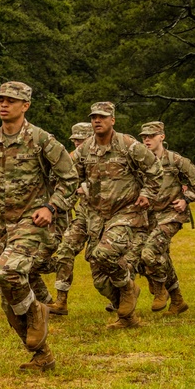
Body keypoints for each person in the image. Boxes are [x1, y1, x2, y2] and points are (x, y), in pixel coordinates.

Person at [0, 82, 78, 371]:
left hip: (36, 221)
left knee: (8, 271)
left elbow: (70, 179)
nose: (4, 105)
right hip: (4, 224)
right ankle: (43, 355)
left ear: (25, 106)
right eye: (1, 100)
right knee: (4, 288)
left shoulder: (41, 140)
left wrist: (51, 207)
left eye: (11, 101)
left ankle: (39, 308)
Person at [73, 102, 163, 329]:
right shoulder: (84, 149)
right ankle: (127, 318)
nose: (97, 121)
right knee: (100, 280)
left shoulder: (128, 145)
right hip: (97, 217)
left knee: (104, 255)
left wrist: (147, 193)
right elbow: (70, 173)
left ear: (112, 120)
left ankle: (127, 287)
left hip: (126, 213)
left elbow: (155, 170)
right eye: (94, 117)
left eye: (102, 117)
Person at [138, 121, 195, 314]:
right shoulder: (141, 161)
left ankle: (160, 289)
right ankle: (177, 300)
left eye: (151, 136)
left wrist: (186, 199)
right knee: (159, 256)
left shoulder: (175, 160)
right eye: (144, 137)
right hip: (148, 216)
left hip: (171, 214)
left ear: (162, 137)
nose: (147, 140)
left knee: (149, 252)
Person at [48, 122, 93, 314]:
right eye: (74, 140)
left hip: (111, 217)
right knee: (65, 250)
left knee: (101, 259)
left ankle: (121, 299)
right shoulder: (72, 159)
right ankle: (61, 301)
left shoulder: (111, 156)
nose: (76, 143)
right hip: (84, 215)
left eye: (80, 140)